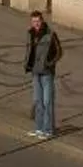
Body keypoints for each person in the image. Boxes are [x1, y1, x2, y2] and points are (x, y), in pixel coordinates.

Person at [24, 8, 62, 139]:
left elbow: (59, 52)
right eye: (34, 21)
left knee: (47, 102)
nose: (36, 24)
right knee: (38, 101)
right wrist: (27, 64)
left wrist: (49, 64)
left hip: (46, 73)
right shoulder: (30, 34)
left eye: (38, 21)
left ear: (42, 21)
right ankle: (39, 128)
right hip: (35, 72)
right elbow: (29, 51)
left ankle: (49, 130)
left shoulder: (50, 34)